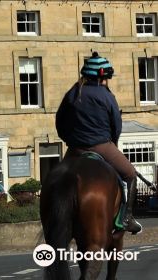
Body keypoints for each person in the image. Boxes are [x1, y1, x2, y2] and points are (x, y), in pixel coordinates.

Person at [55, 51, 142, 234]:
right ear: (103, 77)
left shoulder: (72, 93)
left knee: (58, 179)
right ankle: (126, 218)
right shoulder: (106, 95)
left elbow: (60, 122)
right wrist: (113, 145)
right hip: (101, 146)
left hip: (74, 148)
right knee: (130, 174)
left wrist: (70, 141)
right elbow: (116, 126)